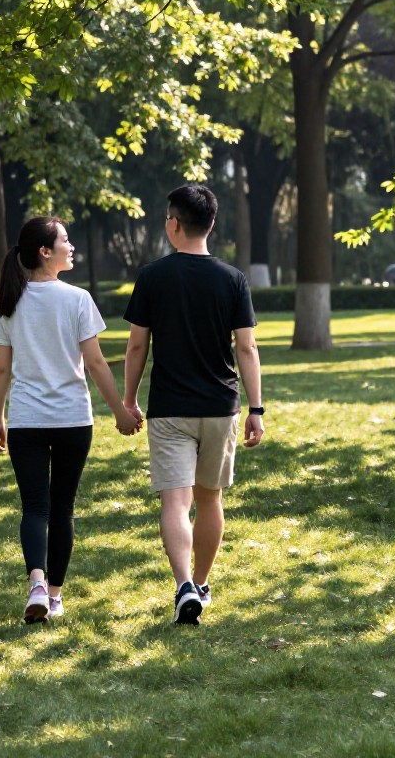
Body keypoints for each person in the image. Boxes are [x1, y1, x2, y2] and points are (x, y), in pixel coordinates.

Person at [123, 184, 264, 625]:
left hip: (169, 407)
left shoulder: (152, 277)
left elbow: (136, 347)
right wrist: (256, 409)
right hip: (220, 406)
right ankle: (200, 585)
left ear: (174, 223)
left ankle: (183, 583)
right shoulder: (232, 279)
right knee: (211, 500)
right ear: (212, 224)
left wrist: (128, 399)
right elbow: (246, 348)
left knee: (174, 503)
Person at [0, 217, 139, 623]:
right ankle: (53, 597)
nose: (71, 247)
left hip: (25, 421)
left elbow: (2, 370)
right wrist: (120, 413)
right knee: (63, 509)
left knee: (35, 508)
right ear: (44, 251)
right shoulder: (77, 299)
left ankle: (36, 582)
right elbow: (95, 363)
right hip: (73, 420)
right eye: (65, 241)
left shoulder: (9, 302)